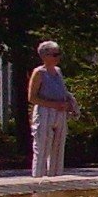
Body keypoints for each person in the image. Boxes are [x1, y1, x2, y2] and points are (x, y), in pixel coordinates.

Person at [26, 40, 78, 177]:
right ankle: (38, 178)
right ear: (44, 56)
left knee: (58, 148)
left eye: (59, 54)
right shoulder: (39, 73)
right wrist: (54, 105)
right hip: (44, 113)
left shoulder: (58, 72)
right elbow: (32, 98)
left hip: (60, 114)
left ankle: (56, 176)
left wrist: (69, 104)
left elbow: (63, 91)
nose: (58, 57)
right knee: (42, 148)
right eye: (55, 54)